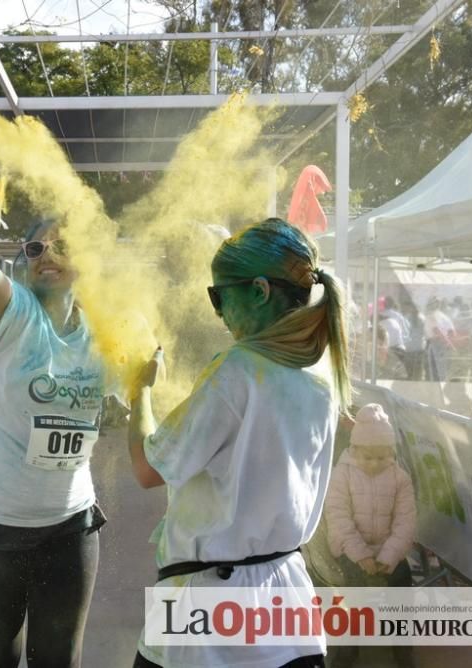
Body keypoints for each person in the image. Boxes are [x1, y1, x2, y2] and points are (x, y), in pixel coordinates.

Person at [128, 218, 350, 668]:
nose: (219, 311)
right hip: (289, 609)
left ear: (260, 291)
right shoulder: (322, 379)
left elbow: (148, 469)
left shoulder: (238, 369)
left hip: (210, 616)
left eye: (219, 294)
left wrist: (140, 391)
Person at [0, 190, 109, 667]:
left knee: (60, 660)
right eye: (35, 248)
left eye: (62, 245)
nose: (46, 255)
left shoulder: (105, 330)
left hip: (69, 526)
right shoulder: (14, 313)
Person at [324, 403, 416, 668]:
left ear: (391, 452)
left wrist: (390, 555)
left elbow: (405, 522)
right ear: (354, 451)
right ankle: (347, 647)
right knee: (350, 591)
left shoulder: (400, 478)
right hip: (350, 550)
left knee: (401, 583)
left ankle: (401, 646)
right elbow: (339, 519)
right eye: (367, 457)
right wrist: (360, 554)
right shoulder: (341, 475)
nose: (374, 463)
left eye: (382, 456)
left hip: (388, 550)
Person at [425, 296, 456, 381]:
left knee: (436, 374)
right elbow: (451, 331)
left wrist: (447, 343)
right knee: (443, 372)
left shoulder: (431, 316)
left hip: (437, 344)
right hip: (443, 344)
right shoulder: (444, 316)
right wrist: (449, 343)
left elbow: (436, 331)